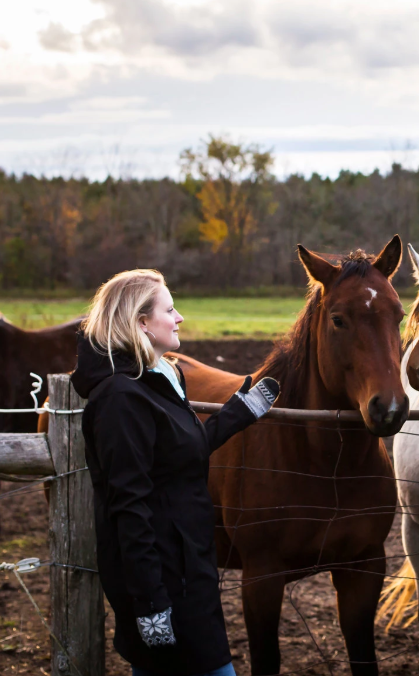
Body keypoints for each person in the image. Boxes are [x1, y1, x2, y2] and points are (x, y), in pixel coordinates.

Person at [71, 269, 280, 676]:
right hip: (162, 581)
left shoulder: (162, 377)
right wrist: (151, 605)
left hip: (191, 568)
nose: (179, 317)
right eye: (170, 309)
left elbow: (182, 450)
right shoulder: (120, 398)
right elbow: (127, 507)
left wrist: (239, 413)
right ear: (141, 323)